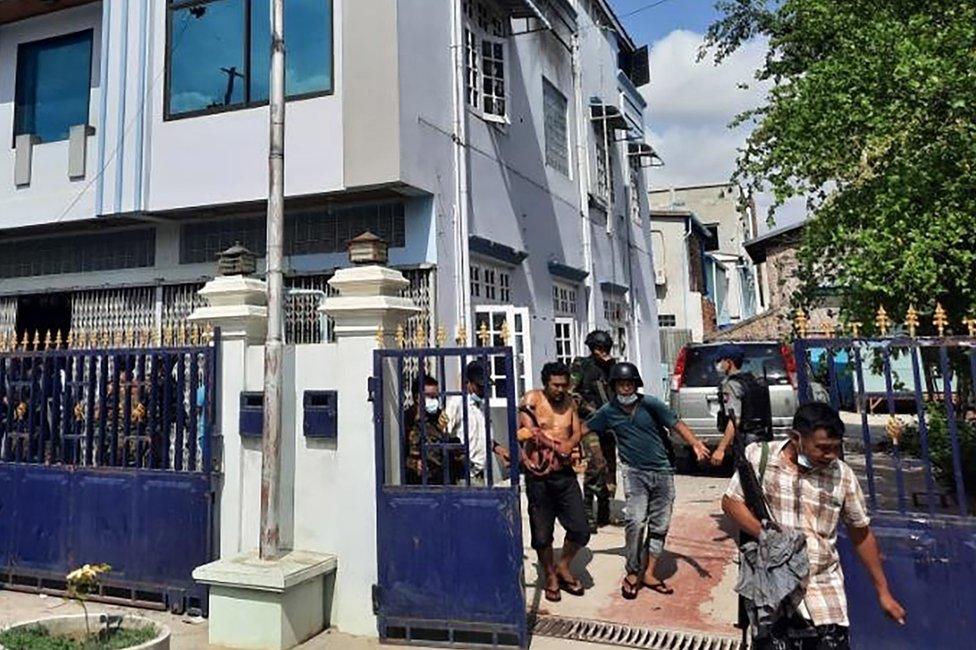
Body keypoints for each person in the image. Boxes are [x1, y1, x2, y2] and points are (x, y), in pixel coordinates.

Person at [722, 402, 906, 649]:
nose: (831, 455)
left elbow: (861, 534)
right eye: (822, 448)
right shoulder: (760, 458)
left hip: (825, 596)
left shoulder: (842, 476)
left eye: (835, 448)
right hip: (773, 596)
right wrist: (765, 535)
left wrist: (883, 592)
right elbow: (731, 503)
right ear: (796, 438)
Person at [584, 362, 711, 599]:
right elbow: (584, 428)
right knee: (634, 521)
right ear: (614, 386)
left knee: (659, 525)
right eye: (621, 384)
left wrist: (695, 443)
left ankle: (650, 572)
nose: (625, 389)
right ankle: (632, 571)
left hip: (662, 472)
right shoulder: (608, 411)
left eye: (629, 384)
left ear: (636, 385)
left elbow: (676, 424)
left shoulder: (650, 404)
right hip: (634, 473)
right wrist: (562, 445)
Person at [518, 362, 590, 602]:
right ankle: (550, 575)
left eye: (563, 385)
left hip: (565, 474)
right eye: (555, 385)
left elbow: (577, 430)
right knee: (542, 533)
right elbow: (532, 430)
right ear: (545, 383)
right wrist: (559, 447)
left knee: (580, 528)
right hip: (539, 476)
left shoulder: (570, 402)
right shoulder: (532, 399)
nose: (560, 389)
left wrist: (571, 444)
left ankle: (563, 566)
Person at [570, 330, 616, 532]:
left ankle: (604, 513)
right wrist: (590, 409)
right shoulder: (581, 365)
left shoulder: (613, 368)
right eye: (600, 348)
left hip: (610, 424)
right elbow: (571, 394)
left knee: (608, 470)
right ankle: (587, 512)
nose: (603, 352)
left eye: (606, 348)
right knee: (596, 462)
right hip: (588, 424)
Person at [712, 343, 772, 467]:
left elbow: (735, 420)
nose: (717, 364)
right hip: (762, 437)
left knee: (744, 481)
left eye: (719, 361)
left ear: (728, 362)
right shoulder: (753, 380)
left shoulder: (731, 385)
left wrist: (720, 449)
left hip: (745, 441)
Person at [440, 361, 489, 484]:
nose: (483, 390)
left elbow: (482, 435)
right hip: (465, 473)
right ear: (467, 383)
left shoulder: (481, 406)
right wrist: (460, 455)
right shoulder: (457, 403)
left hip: (480, 471)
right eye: (479, 386)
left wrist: (499, 450)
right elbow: (444, 433)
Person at [405, 375, 459, 485]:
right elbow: (400, 453)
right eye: (429, 396)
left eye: (435, 397)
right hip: (418, 483)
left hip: (442, 480)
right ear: (417, 397)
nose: (434, 401)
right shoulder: (408, 419)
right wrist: (415, 464)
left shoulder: (440, 416)